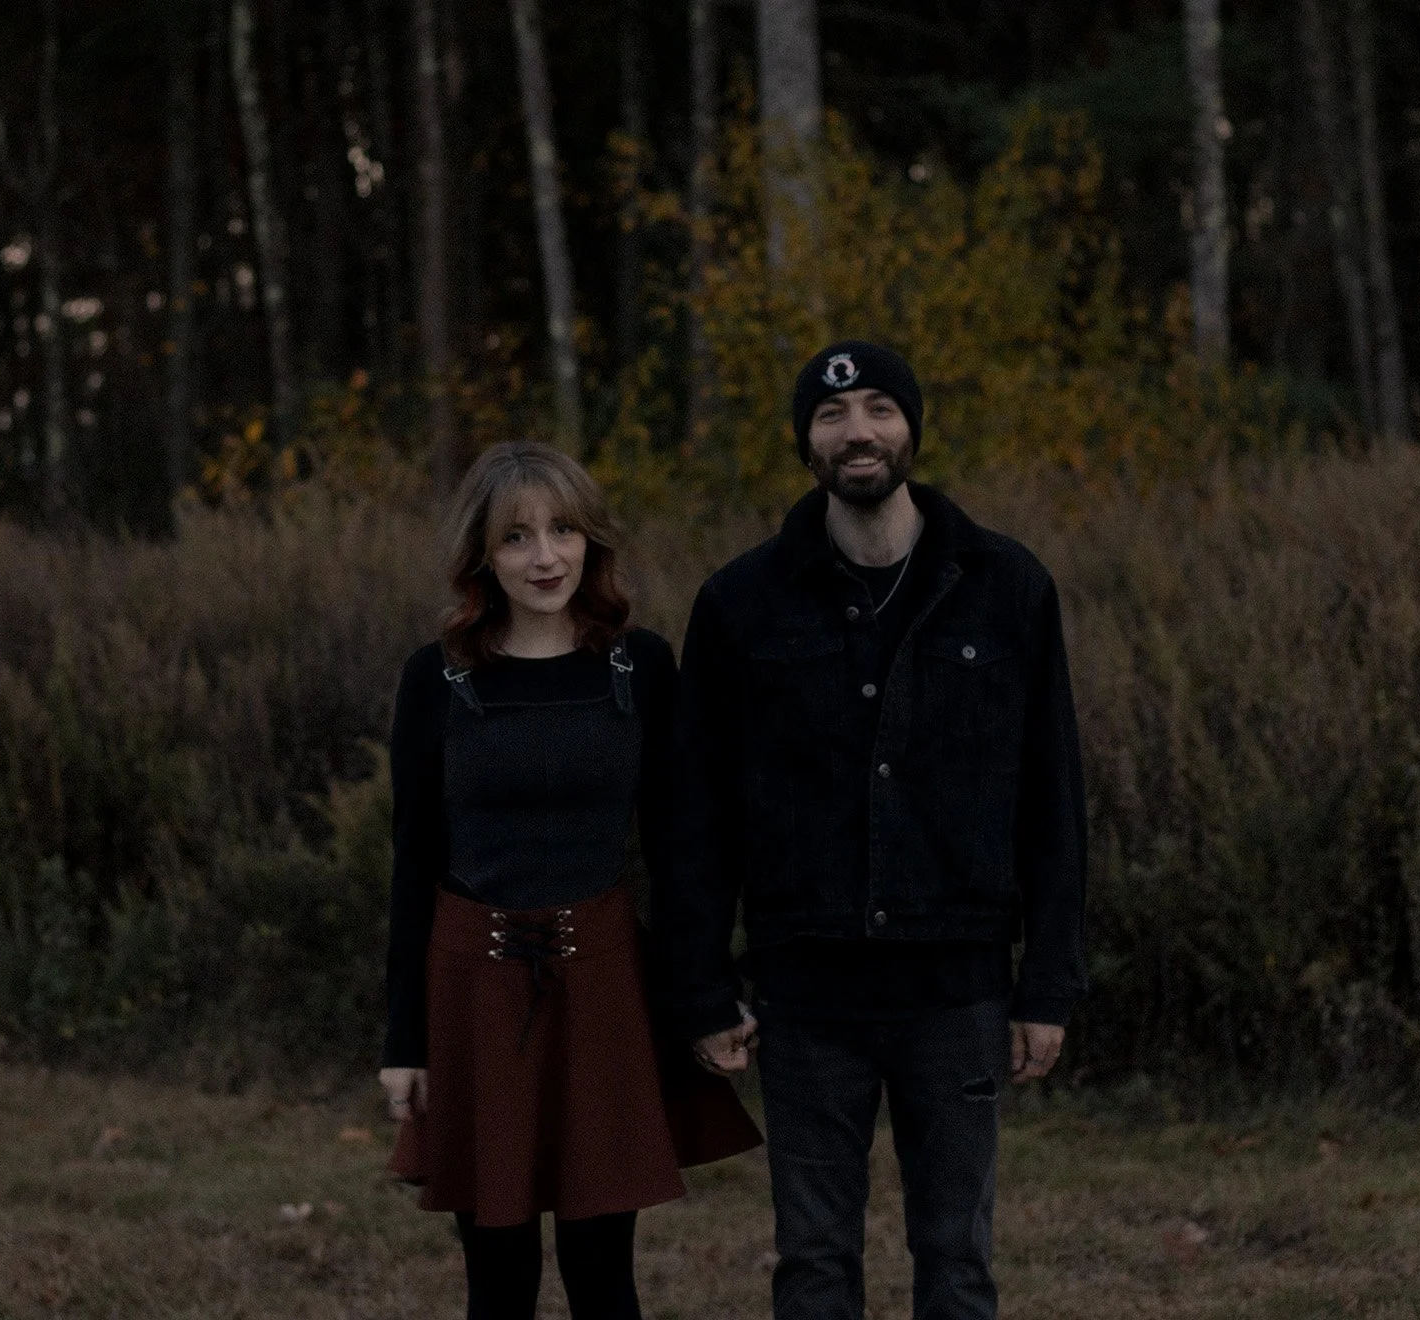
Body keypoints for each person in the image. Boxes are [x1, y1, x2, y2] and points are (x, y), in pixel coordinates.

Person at [657, 341, 1087, 1320]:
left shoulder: (1008, 587)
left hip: (960, 991)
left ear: (912, 428)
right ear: (806, 443)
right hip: (807, 1000)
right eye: (833, 415)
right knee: (812, 1263)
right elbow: (698, 816)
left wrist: (1048, 982)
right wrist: (701, 987)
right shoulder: (739, 605)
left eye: (881, 410)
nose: (859, 432)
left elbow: (1053, 800)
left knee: (958, 1260)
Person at [380, 441, 760, 1320]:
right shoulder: (435, 679)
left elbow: (681, 852)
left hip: (603, 988)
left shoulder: (640, 666)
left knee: (602, 1270)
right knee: (497, 1276)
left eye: (562, 530)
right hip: (473, 988)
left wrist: (704, 998)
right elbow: (413, 865)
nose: (545, 557)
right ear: (482, 554)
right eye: (516, 537)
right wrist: (404, 1040)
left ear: (592, 540)